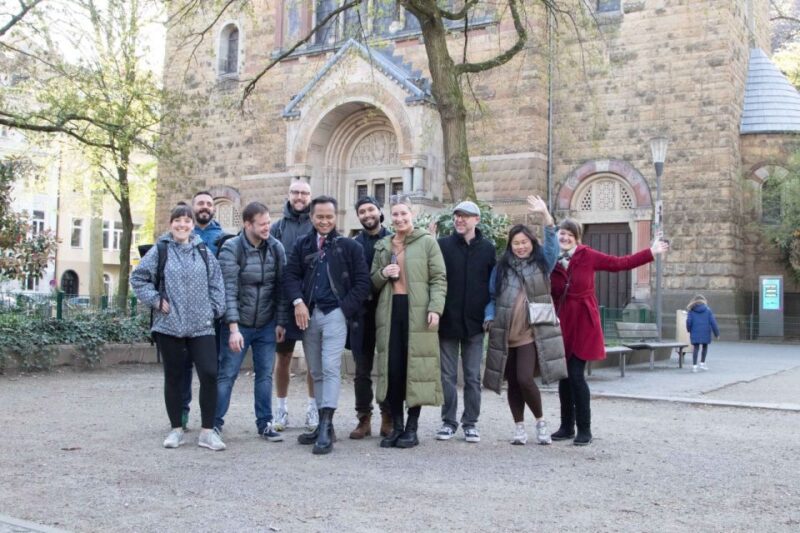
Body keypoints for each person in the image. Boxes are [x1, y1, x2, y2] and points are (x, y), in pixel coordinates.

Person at [550, 218, 669, 445]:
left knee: (575, 374)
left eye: (569, 235)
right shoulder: (551, 259)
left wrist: (650, 252)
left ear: (577, 238)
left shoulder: (587, 255)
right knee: (563, 377)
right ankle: (566, 426)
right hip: (561, 322)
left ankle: (584, 429)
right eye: (561, 234)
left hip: (583, 321)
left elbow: (619, 263)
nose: (564, 238)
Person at [131, 204, 227, 451]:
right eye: (178, 221)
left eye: (187, 221)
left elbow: (217, 283)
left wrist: (215, 309)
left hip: (201, 326)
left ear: (192, 225)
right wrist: (155, 300)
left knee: (209, 374)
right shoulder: (160, 250)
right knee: (174, 377)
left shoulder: (204, 251)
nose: (182, 225)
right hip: (169, 325)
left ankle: (207, 431)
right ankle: (176, 428)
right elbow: (138, 278)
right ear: (170, 224)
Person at [283, 195, 370, 455]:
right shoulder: (302, 244)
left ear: (336, 217)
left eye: (329, 217)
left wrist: (344, 310)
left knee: (331, 368)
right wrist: (298, 301)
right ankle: (324, 424)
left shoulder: (350, 247)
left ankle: (325, 425)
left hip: (335, 314)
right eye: (319, 217)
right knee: (316, 370)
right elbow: (290, 275)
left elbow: (362, 283)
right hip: (308, 314)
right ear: (312, 217)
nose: (324, 221)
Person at [483, 197, 562, 445]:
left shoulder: (542, 263)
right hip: (505, 333)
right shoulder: (502, 268)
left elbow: (553, 246)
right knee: (513, 383)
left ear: (531, 243)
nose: (520, 247)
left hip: (531, 333)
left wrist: (546, 216)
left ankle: (540, 422)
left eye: (524, 242)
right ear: (510, 245)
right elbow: (492, 298)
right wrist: (489, 317)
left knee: (525, 378)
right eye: (516, 243)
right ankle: (519, 427)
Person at [372, 195, 447, 449]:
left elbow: (439, 278)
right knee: (393, 371)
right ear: (389, 217)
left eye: (404, 214)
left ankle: (412, 429)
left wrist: (436, 308)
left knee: (416, 369)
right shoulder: (383, 245)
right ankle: (397, 427)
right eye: (395, 214)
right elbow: (372, 281)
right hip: (390, 311)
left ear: (412, 215)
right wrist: (384, 273)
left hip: (418, 312)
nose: (400, 219)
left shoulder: (427, 243)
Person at [214, 202, 288, 445]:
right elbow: (229, 291)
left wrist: (280, 322)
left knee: (264, 375)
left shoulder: (276, 248)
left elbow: (280, 288)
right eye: (262, 223)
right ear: (247, 224)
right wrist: (233, 328)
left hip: (266, 323)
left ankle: (265, 423)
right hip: (239, 323)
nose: (268, 227)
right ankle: (214, 424)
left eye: (269, 222)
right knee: (227, 374)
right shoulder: (231, 248)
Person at [436, 200, 496, 443]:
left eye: (466, 216)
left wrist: (489, 314)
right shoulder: (442, 246)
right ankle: (448, 422)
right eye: (457, 216)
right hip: (448, 321)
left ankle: (470, 422)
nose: (460, 220)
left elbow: (493, 287)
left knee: (472, 376)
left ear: (476, 220)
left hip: (475, 324)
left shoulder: (488, 249)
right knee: (447, 376)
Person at [176, 191, 226, 431]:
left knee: (210, 370)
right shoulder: (181, 233)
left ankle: (211, 419)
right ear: (192, 207)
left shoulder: (222, 238)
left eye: (208, 203)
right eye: (200, 203)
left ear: (213, 208)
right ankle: (181, 413)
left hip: (209, 316)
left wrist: (218, 308)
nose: (205, 207)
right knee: (182, 366)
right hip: (181, 312)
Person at [271, 180, 317, 431]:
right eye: (295, 192)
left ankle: (312, 409)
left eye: (304, 193)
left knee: (313, 360)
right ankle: (281, 409)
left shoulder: (317, 224)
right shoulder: (277, 227)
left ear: (310, 197)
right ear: (289, 195)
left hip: (312, 302)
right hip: (286, 303)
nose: (299, 197)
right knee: (284, 357)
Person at [349, 196, 393, 439]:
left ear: (379, 211)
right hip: (362, 315)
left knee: (388, 368)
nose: (367, 214)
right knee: (362, 371)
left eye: (371, 209)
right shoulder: (354, 244)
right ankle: (363, 418)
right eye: (362, 211)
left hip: (387, 311)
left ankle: (388, 416)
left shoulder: (393, 240)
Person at [686, 294, 720, 372]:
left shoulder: (691, 310)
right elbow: (713, 322)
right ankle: (702, 363)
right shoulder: (708, 310)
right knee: (705, 347)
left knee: (696, 348)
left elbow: (688, 321)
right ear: (704, 301)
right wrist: (717, 333)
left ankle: (694, 366)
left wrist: (689, 329)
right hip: (705, 331)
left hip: (695, 331)